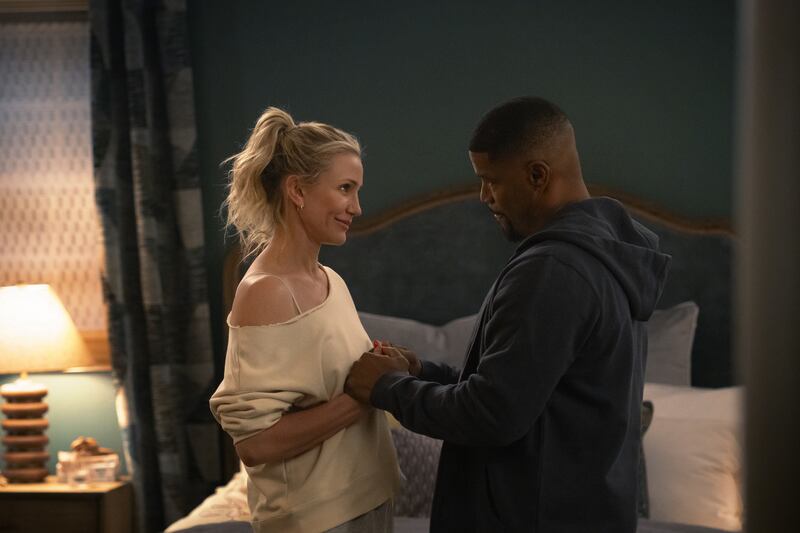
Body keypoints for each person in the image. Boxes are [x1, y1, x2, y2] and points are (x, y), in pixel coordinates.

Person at [345, 97, 671, 533]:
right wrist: (421, 372)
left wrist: (386, 388)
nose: (484, 197)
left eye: (490, 181)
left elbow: (490, 415)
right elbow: (521, 391)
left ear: (537, 175)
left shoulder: (554, 269)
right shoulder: (605, 256)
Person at [210, 107, 400, 533]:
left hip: (370, 498)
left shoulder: (331, 281)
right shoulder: (266, 291)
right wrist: (367, 393)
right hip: (318, 518)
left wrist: (384, 369)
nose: (357, 207)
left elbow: (339, 379)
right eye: (345, 189)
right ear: (297, 190)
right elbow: (256, 443)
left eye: (357, 190)